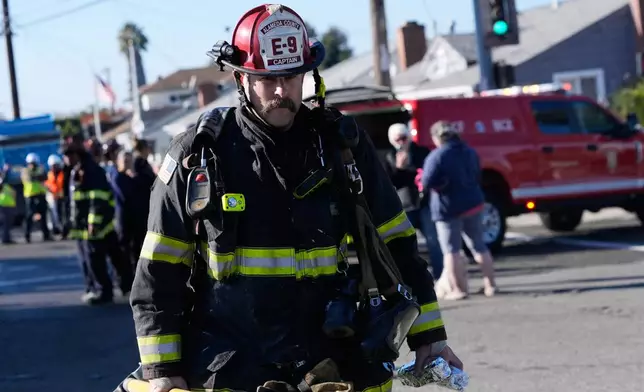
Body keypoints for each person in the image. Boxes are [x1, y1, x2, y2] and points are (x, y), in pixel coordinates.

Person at [121, 5, 462, 392]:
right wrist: (162, 370)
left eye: (292, 77)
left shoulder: (341, 146)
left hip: (333, 358)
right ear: (240, 77)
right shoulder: (198, 154)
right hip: (231, 362)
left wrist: (430, 336)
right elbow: (159, 271)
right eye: (269, 79)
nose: (282, 91)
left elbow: (397, 244)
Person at [420, 121, 498, 300]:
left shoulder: (437, 156)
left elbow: (426, 181)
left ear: (437, 137)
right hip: (473, 203)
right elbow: (478, 173)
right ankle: (490, 285)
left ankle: (459, 290)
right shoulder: (470, 152)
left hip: (448, 208)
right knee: (479, 244)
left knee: (451, 250)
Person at [61, 135, 134, 305]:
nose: (66, 159)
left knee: (95, 259)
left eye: (68, 155)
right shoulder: (77, 169)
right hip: (92, 224)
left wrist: (93, 221)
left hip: (96, 224)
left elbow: (97, 198)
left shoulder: (90, 170)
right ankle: (123, 285)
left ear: (76, 155)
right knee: (114, 255)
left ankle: (104, 290)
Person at [384, 123, 443, 279]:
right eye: (398, 140)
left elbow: (428, 173)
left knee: (433, 241)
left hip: (424, 203)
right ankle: (414, 277)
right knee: (408, 245)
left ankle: (441, 275)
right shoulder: (389, 157)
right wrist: (399, 168)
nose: (402, 143)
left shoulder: (421, 152)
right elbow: (390, 183)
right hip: (405, 205)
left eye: (404, 138)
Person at [21, 153, 52, 243]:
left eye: (34, 163)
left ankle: (46, 235)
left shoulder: (40, 169)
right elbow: (29, 178)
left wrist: (38, 177)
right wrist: (38, 177)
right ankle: (27, 235)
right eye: (31, 163)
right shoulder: (25, 170)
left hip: (41, 194)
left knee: (43, 214)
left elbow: (45, 177)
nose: (33, 165)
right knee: (30, 215)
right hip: (30, 195)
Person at [45, 154, 66, 235]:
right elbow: (48, 184)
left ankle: (64, 230)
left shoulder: (62, 174)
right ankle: (57, 230)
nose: (53, 167)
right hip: (54, 198)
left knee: (63, 215)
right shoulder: (50, 174)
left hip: (62, 197)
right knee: (55, 215)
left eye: (55, 165)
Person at [0, 166, 17, 244]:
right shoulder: (2, 183)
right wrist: (5, 172)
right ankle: (5, 239)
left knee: (8, 223)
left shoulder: (6, 184)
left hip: (8, 204)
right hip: (3, 204)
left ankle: (6, 237)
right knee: (6, 223)